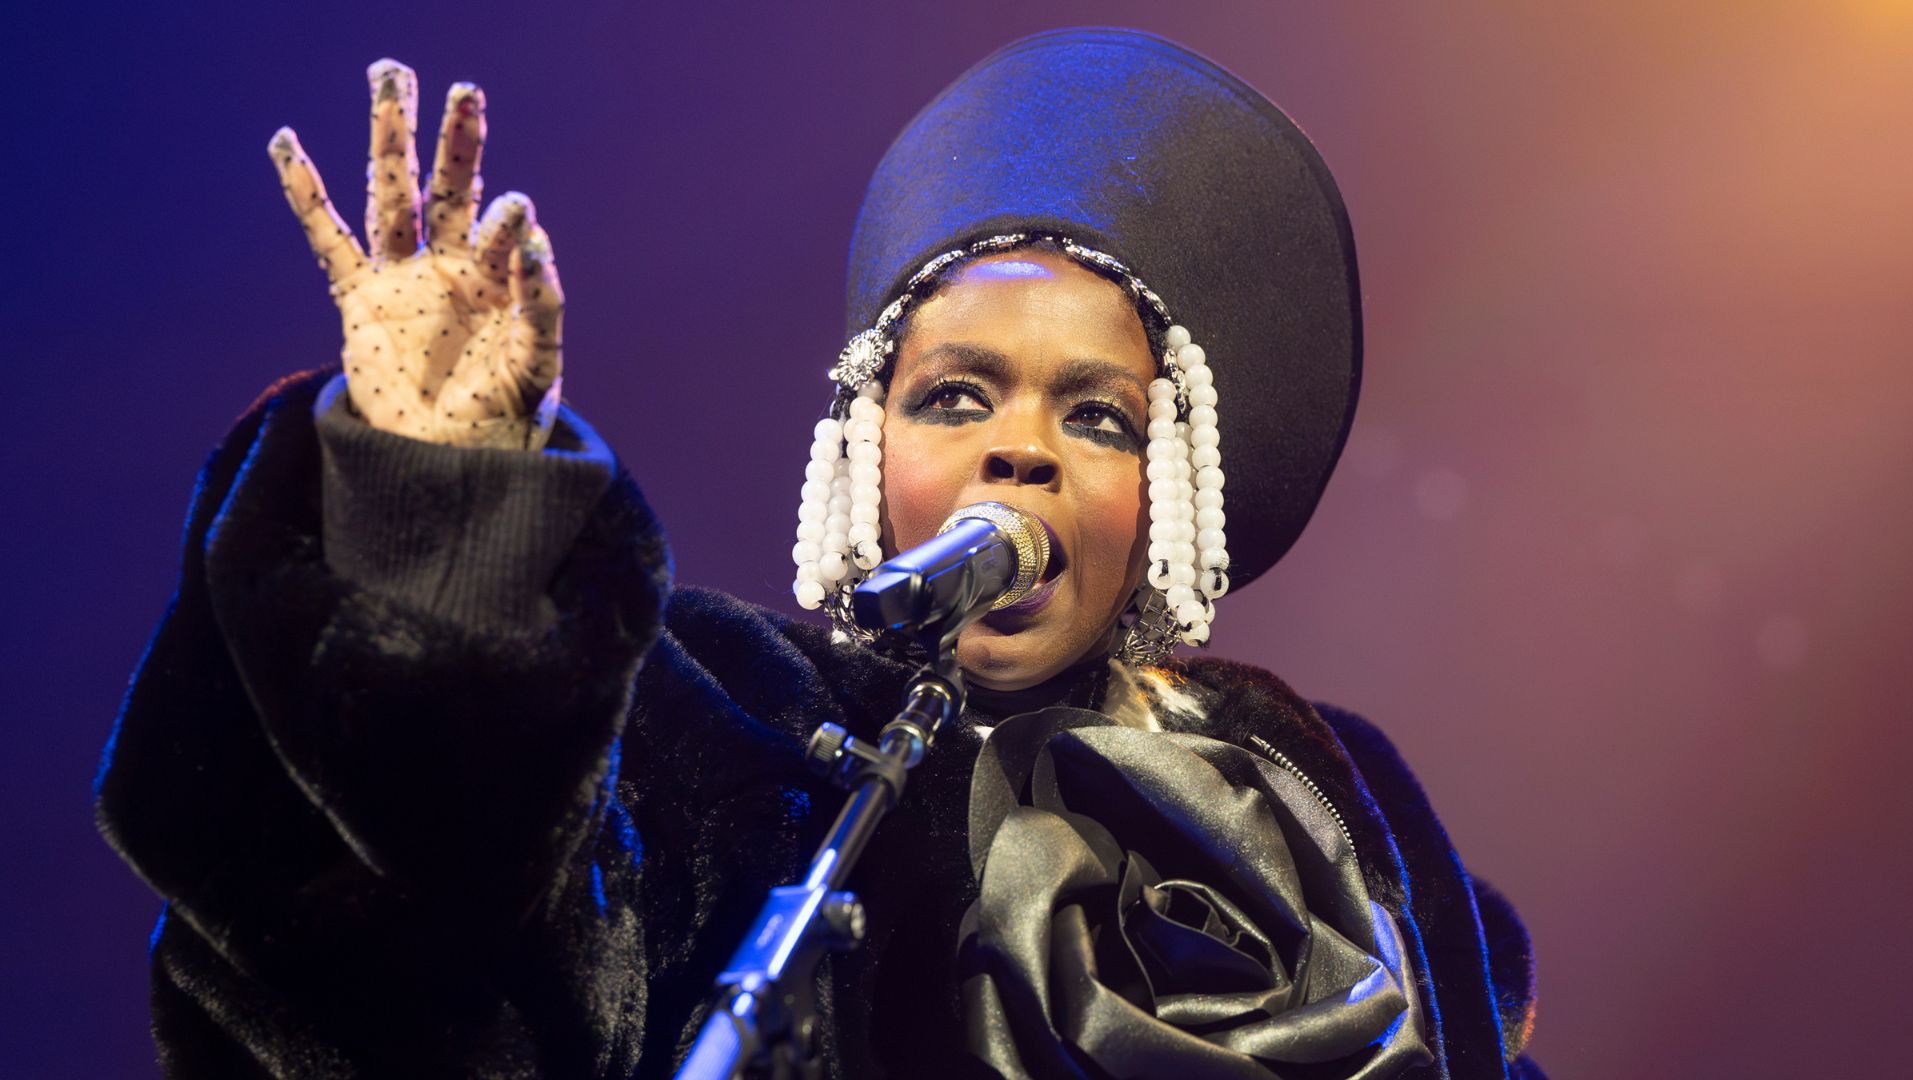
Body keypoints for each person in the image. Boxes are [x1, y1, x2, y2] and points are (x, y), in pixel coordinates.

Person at [95, 28, 1544, 1079]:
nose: (1020, 450)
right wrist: (435, 515)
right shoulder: (723, 727)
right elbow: (396, 964)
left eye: (1097, 416)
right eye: (956, 397)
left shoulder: (1321, 793)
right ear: (869, 449)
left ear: (1166, 486)